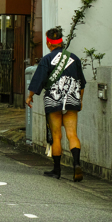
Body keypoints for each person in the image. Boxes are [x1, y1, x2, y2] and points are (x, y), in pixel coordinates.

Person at [26, 26, 87, 181]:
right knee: (72, 134)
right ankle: (76, 164)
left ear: (49, 43)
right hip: (73, 98)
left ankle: (57, 170)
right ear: (61, 42)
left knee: (56, 135)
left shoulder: (47, 59)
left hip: (54, 99)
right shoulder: (74, 58)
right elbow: (82, 83)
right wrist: (79, 100)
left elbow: (38, 79)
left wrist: (30, 96)